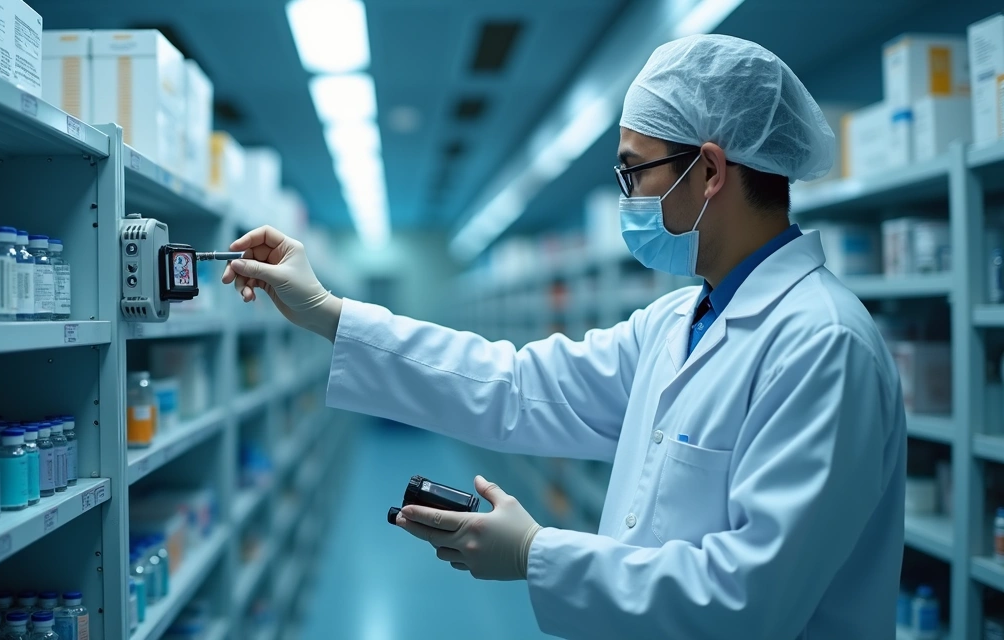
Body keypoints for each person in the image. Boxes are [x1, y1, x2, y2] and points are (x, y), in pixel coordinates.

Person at [221, 34, 905, 640]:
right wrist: (328, 313)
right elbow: (517, 386)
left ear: (710, 170)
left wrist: (536, 554)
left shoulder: (824, 346)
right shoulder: (677, 322)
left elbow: (749, 601)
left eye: (634, 171)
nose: (625, 196)